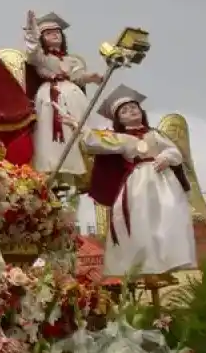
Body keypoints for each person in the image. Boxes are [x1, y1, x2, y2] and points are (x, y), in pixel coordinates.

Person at [70, 84, 196, 277]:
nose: (131, 112)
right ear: (118, 118)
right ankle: (145, 265)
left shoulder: (155, 135)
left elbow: (175, 152)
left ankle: (172, 260)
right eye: (125, 111)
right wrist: (77, 126)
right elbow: (93, 141)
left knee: (169, 217)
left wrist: (167, 157)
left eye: (134, 108)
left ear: (141, 111)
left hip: (164, 182)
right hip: (138, 184)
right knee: (141, 221)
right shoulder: (120, 138)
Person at [23, 11, 103, 186]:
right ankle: (50, 171)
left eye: (57, 32)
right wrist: (31, 30)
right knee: (49, 136)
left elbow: (78, 76)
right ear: (42, 37)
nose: (54, 35)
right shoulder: (42, 58)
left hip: (73, 97)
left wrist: (92, 77)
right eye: (49, 33)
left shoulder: (72, 60)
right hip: (50, 98)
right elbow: (32, 51)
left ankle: (74, 168)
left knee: (75, 131)